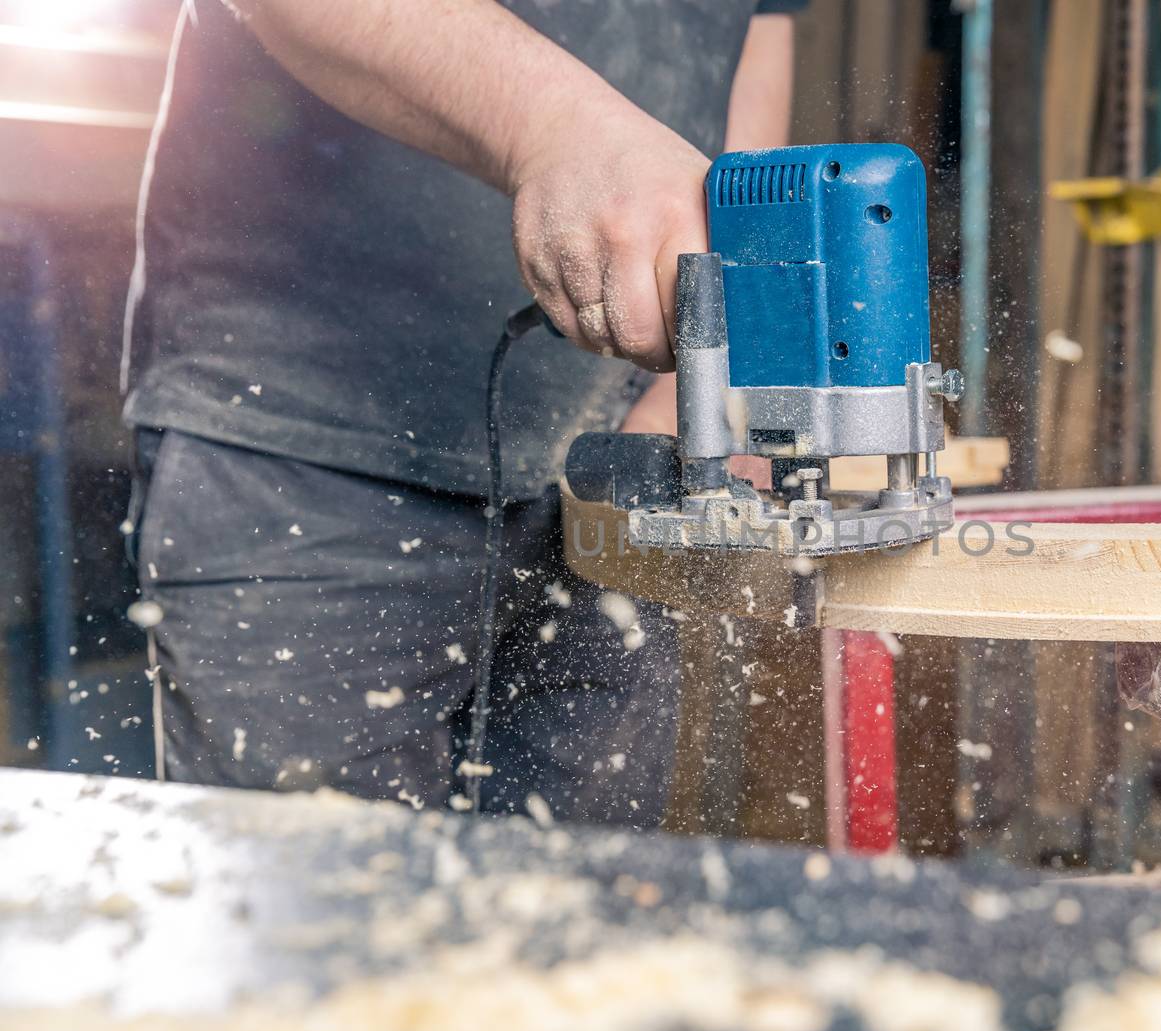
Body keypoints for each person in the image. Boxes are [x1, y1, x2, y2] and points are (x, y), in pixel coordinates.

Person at [119, 0, 801, 823]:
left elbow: (759, 34)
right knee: (313, 926)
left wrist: (697, 381)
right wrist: (555, 126)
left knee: (579, 926)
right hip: (312, 442)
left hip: (617, 463)